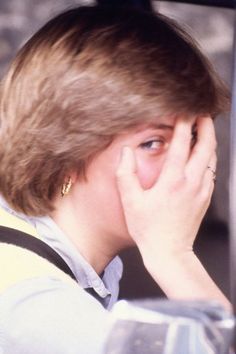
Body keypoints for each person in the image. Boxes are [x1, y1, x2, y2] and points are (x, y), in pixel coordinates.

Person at [0, 4, 231, 354]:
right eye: (153, 143)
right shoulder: (38, 308)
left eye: (192, 140)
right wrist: (174, 256)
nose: (184, 168)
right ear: (67, 152)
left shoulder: (67, 255)